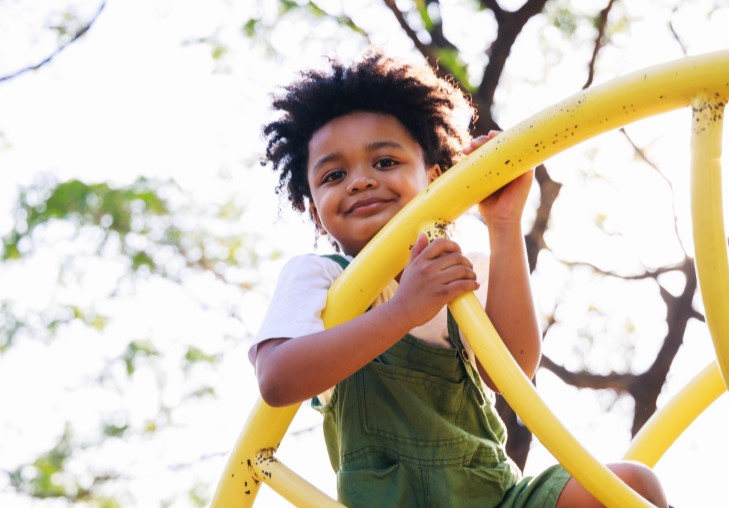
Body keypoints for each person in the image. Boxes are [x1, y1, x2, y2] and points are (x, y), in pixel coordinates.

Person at [250, 49, 668, 508]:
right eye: (334, 174)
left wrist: (504, 225)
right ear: (314, 209)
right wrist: (403, 311)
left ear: (433, 178)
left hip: (497, 498)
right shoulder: (321, 278)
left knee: (633, 485)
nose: (360, 181)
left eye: (385, 162)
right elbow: (277, 378)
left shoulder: (458, 274)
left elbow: (513, 370)